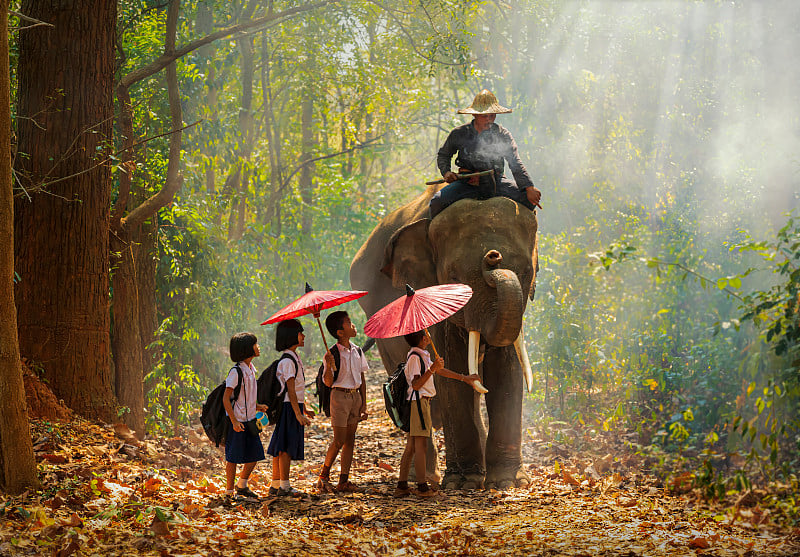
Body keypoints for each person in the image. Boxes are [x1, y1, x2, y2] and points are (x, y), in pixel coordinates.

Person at [394, 330, 482, 498]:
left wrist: (465, 378)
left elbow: (440, 371)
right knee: (421, 446)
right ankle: (421, 488)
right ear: (422, 338)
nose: (429, 336)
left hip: (421, 402)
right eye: (426, 334)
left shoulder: (421, 355)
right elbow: (417, 384)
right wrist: (432, 369)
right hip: (418, 403)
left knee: (412, 447)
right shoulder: (414, 357)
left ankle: (402, 485)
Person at [429, 89, 542, 219]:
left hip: (496, 182)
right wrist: (446, 172)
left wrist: (529, 187)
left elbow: (514, 161)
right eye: (484, 116)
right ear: (475, 115)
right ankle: (430, 237)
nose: (489, 120)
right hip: (466, 182)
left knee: (528, 199)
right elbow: (444, 155)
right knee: (436, 202)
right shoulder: (459, 133)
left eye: (492, 116)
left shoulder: (502, 134)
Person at [315, 311, 370, 493]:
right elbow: (329, 382)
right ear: (340, 332)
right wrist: (329, 365)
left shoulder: (357, 351)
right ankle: (324, 475)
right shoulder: (331, 354)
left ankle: (343, 480)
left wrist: (363, 403)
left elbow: (361, 377)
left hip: (355, 397)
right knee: (339, 440)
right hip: (339, 397)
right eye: (348, 322)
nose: (353, 325)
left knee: (350, 439)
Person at [266, 319, 315, 497]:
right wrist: (298, 414)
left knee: (280, 446)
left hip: (292, 406)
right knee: (285, 447)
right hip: (288, 408)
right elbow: (291, 391)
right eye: (300, 332)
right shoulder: (287, 361)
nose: (303, 336)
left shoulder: (294, 358)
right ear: (291, 336)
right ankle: (284, 486)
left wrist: (305, 408)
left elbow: (297, 391)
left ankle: (276, 483)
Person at [222, 332, 268, 501]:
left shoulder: (251, 370)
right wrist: (233, 421)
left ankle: (242, 485)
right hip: (238, 422)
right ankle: (229, 491)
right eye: (255, 344)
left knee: (255, 455)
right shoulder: (236, 372)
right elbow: (226, 398)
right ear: (246, 349)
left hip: (250, 420)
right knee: (233, 458)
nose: (258, 347)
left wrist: (257, 406)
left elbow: (246, 395)